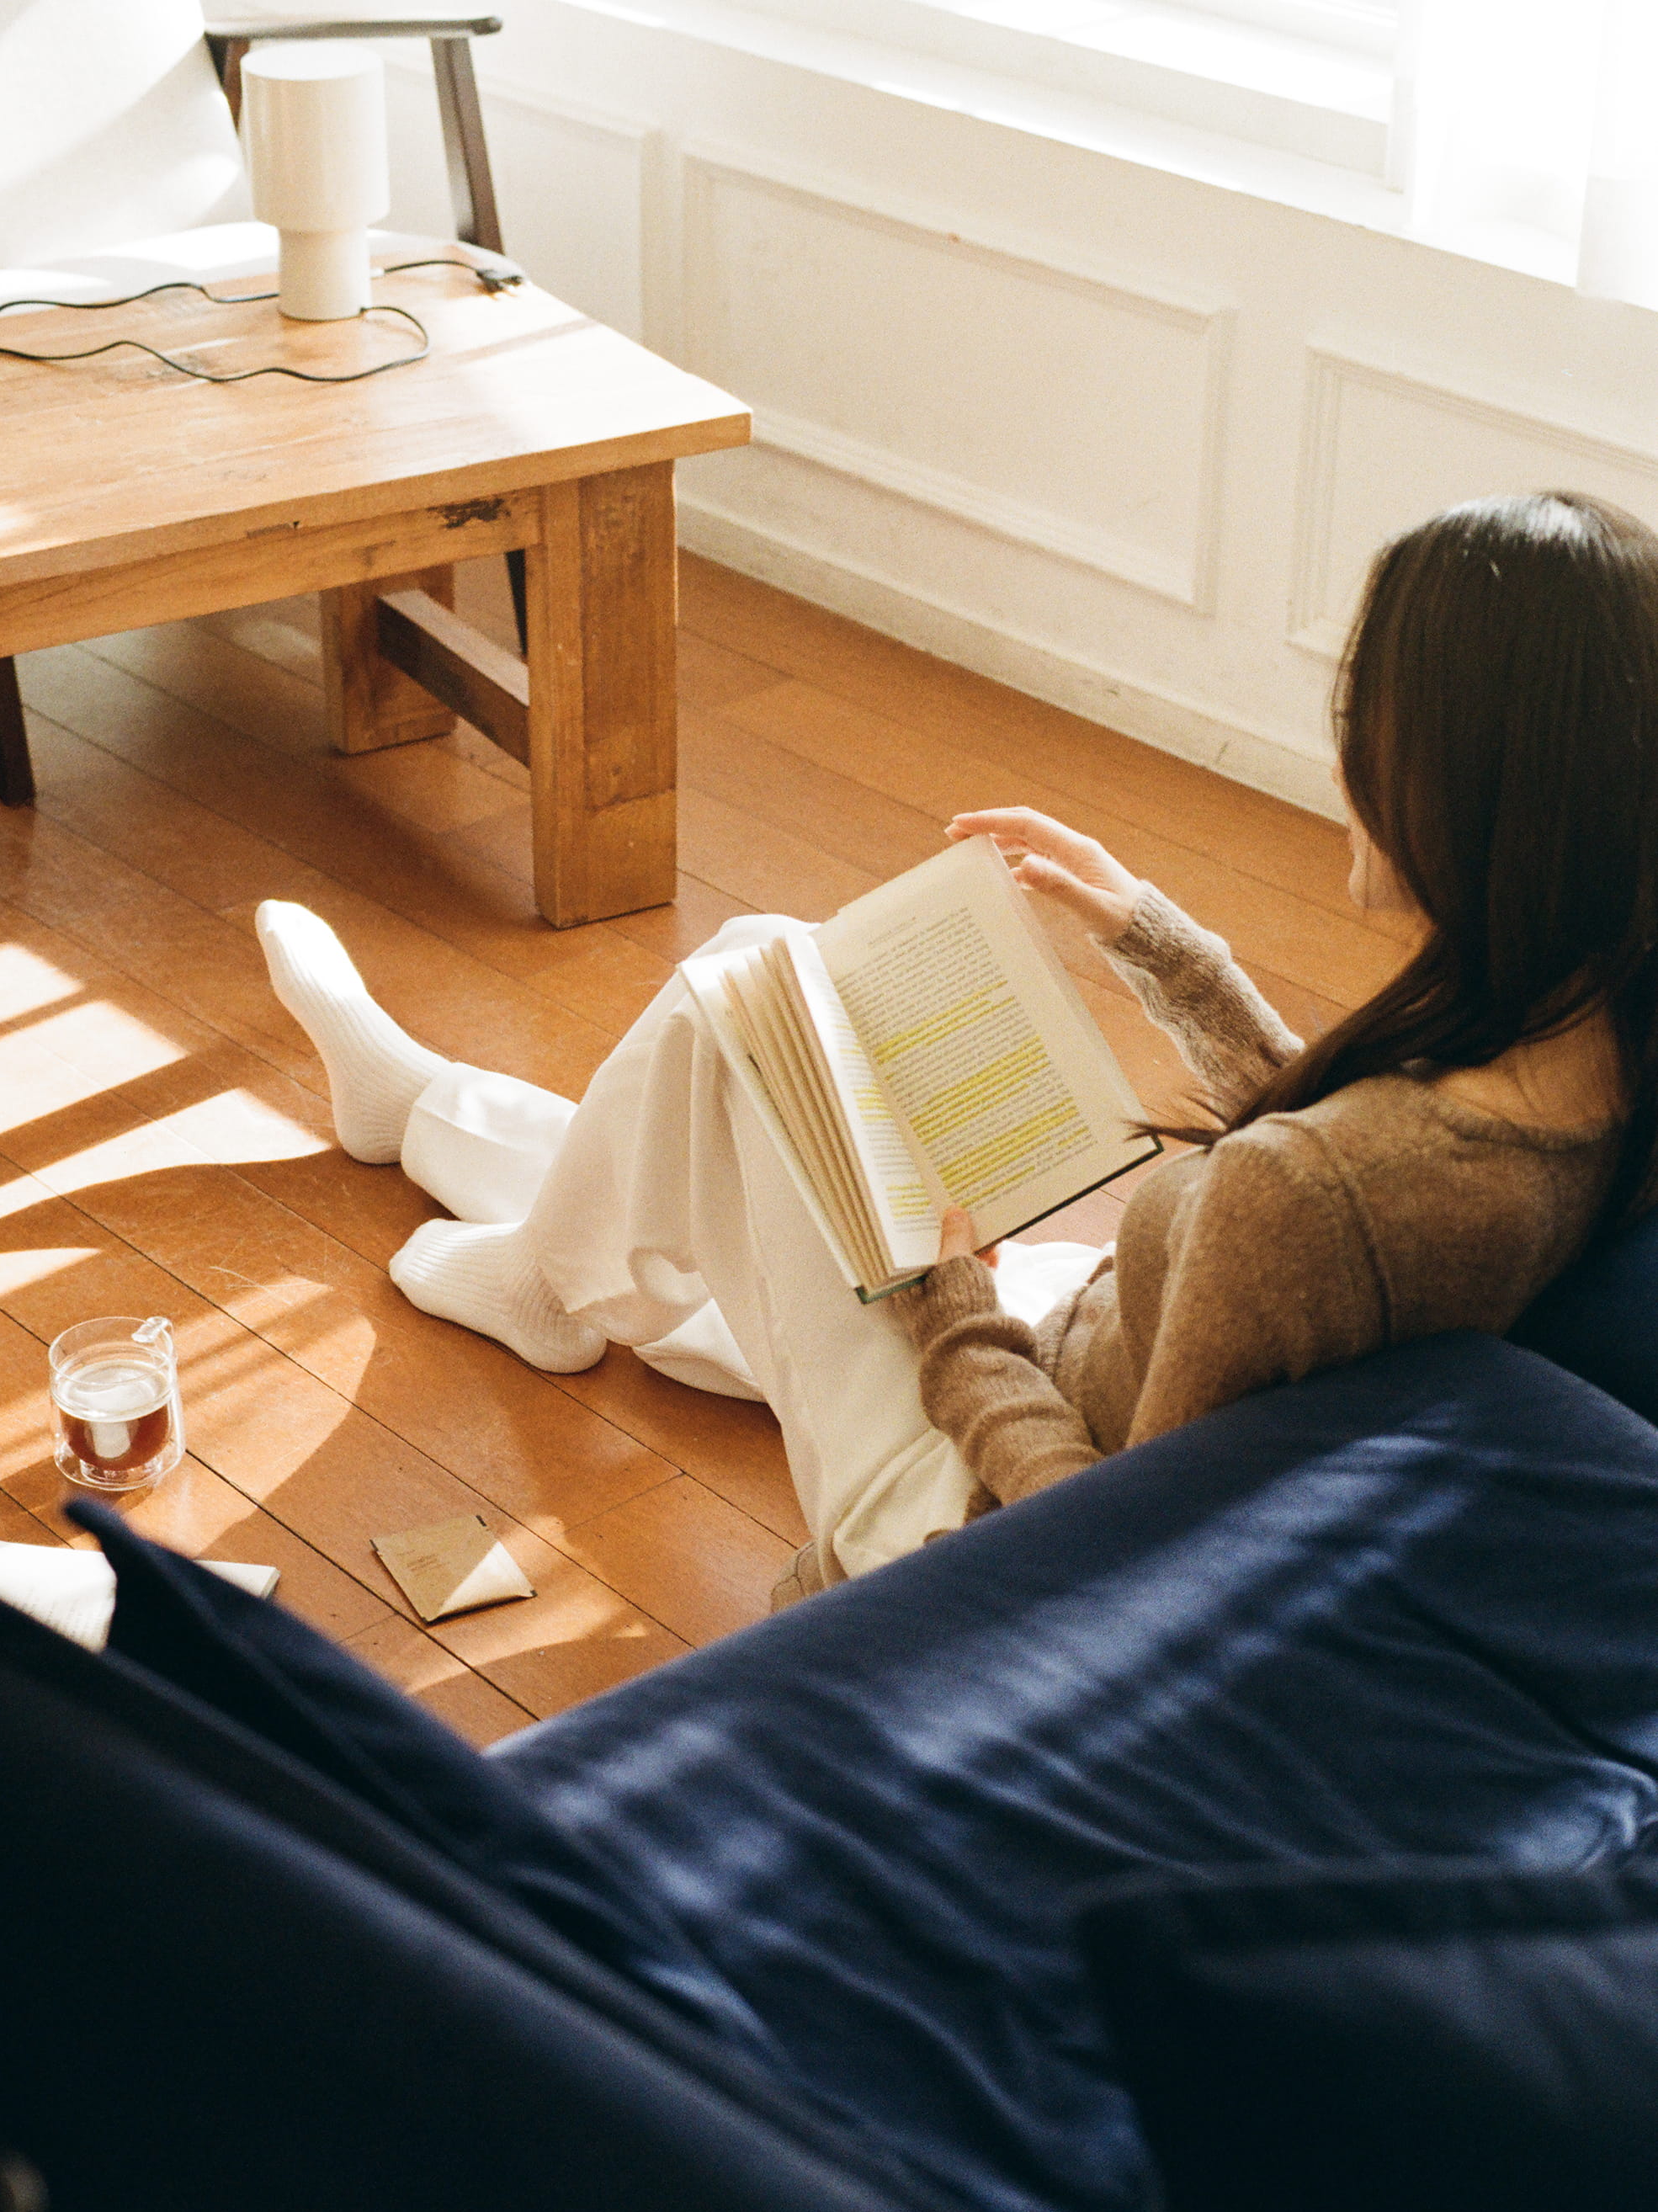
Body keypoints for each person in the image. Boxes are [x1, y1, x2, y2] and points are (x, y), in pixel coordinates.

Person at [257, 490, 1657, 1593]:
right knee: (711, 1208)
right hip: (1087, 1342)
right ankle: (432, 1122)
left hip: (977, 1511)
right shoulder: (1589, 1052)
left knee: (751, 987)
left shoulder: (1307, 1204)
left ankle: (537, 1273)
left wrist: (949, 1308)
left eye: (1364, 724)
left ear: (1461, 789)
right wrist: (1159, 946)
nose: (1341, 762)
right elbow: (1361, 1160)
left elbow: (1108, 1552)